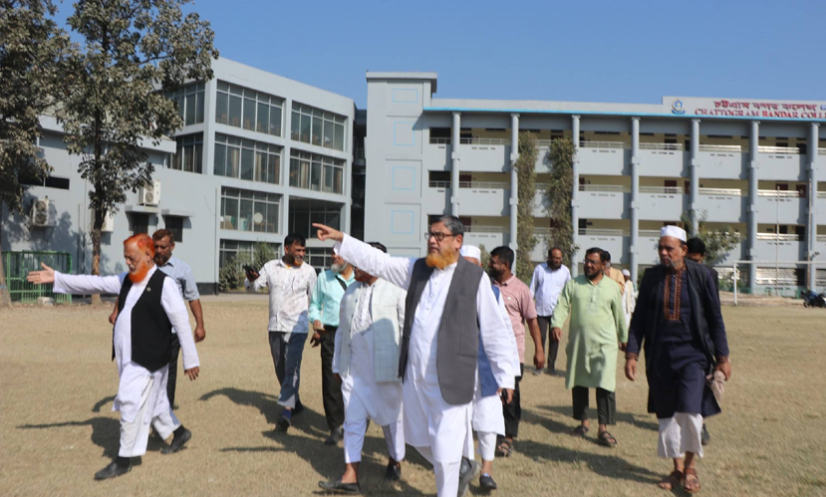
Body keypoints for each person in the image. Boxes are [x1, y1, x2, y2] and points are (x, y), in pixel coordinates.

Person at [312, 216, 516, 497]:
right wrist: (342, 239)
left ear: (458, 241)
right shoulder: (418, 269)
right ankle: (462, 466)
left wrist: (505, 376)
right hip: (416, 378)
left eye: (439, 236)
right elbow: (379, 262)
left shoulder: (474, 278)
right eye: (430, 235)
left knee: (445, 449)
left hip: (452, 378)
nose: (432, 240)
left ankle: (451, 478)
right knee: (418, 439)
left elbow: (494, 330)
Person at [26, 234, 200, 480]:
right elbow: (94, 283)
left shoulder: (165, 284)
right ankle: (180, 433)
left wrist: (190, 360)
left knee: (129, 401)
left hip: (148, 359)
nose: (127, 262)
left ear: (148, 255)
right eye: (125, 258)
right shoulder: (127, 279)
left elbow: (181, 321)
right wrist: (58, 278)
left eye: (132, 258)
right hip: (129, 356)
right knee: (156, 403)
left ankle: (123, 460)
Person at [625, 226, 732, 494]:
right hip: (660, 356)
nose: (663, 253)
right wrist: (632, 354)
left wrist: (723, 357)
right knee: (667, 415)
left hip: (694, 356)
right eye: (660, 248)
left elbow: (715, 318)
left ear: (683, 250)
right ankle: (677, 469)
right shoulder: (651, 277)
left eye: (669, 248)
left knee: (691, 412)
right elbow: (638, 319)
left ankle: (691, 468)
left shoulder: (702, 276)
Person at [319, 242, 407, 495]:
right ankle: (350, 476)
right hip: (354, 370)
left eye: (360, 262)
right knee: (353, 421)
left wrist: (406, 367)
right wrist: (338, 364)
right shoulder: (350, 291)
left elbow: (407, 331)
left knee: (391, 420)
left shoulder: (396, 290)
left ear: (375, 263)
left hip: (387, 370)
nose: (354, 267)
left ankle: (395, 459)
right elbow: (341, 331)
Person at [109, 229, 206, 409]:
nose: (159, 250)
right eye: (156, 246)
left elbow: (193, 298)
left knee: (167, 370)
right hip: (145, 330)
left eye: (163, 247)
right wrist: (116, 311)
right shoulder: (143, 265)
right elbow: (126, 288)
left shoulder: (182, 269)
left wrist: (199, 325)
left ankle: (165, 409)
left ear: (172, 247)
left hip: (170, 332)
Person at [551, 247, 627, 447]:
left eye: (593, 262)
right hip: (580, 343)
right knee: (580, 383)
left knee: (605, 384)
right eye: (586, 261)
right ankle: (583, 422)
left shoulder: (612, 287)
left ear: (604, 265)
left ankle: (603, 428)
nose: (588, 265)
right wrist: (556, 324)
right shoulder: (574, 284)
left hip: (605, 345)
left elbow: (619, 315)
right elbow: (562, 305)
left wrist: (624, 337)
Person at [460, 245, 520, 492]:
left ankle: (486, 471)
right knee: (460, 421)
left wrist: (509, 378)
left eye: (471, 265)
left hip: (486, 370)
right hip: (457, 369)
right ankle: (464, 466)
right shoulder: (446, 291)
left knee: (487, 420)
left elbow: (505, 336)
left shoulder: (493, 294)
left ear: (480, 267)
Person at [246, 233, 317, 432]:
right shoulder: (271, 267)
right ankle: (295, 402)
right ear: (286, 249)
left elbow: (315, 300)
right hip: (275, 325)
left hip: (298, 328)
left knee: (292, 368)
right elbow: (253, 288)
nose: (301, 254)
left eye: (303, 251)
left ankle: (286, 412)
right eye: (298, 250)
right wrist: (251, 279)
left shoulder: (309, 272)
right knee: (281, 368)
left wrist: (317, 325)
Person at [488, 246, 545, 458]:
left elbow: (532, 322)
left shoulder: (521, 289)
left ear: (505, 265)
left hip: (513, 353)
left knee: (510, 395)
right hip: (489, 351)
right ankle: (491, 430)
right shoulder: (486, 286)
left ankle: (508, 437)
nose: (489, 265)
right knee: (490, 393)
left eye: (493, 262)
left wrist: (539, 350)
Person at [310, 247, 356, 445]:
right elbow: (314, 304)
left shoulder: (360, 279)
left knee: (355, 382)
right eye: (333, 253)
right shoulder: (324, 278)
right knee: (330, 382)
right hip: (330, 334)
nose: (334, 256)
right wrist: (316, 320)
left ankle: (353, 423)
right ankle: (335, 427)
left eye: (339, 253)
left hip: (356, 336)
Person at [685, 237, 720, 447]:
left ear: (703, 258)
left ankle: (702, 424)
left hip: (703, 338)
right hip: (681, 337)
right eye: (690, 260)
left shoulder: (710, 274)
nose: (694, 265)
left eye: (697, 261)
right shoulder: (676, 275)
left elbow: (714, 311)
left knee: (703, 381)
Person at [529, 247, 571, 376]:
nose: (558, 260)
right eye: (555, 258)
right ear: (549, 257)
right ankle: (539, 366)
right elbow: (532, 288)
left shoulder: (565, 271)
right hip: (541, 310)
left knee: (554, 339)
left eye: (560, 258)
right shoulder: (539, 269)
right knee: (540, 338)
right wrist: (528, 305)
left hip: (557, 312)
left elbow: (569, 289)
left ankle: (551, 368)